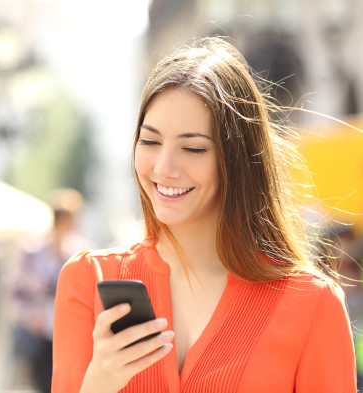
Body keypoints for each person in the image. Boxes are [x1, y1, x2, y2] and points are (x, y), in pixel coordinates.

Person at [52, 36, 356, 393]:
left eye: (193, 148)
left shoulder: (312, 304)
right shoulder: (88, 280)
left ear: (239, 162)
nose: (164, 168)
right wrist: (99, 383)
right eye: (149, 141)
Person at [11, 188, 93, 393]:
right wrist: (30, 316)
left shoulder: (82, 251)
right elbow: (15, 291)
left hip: (71, 332)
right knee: (41, 382)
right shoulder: (31, 250)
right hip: (37, 331)